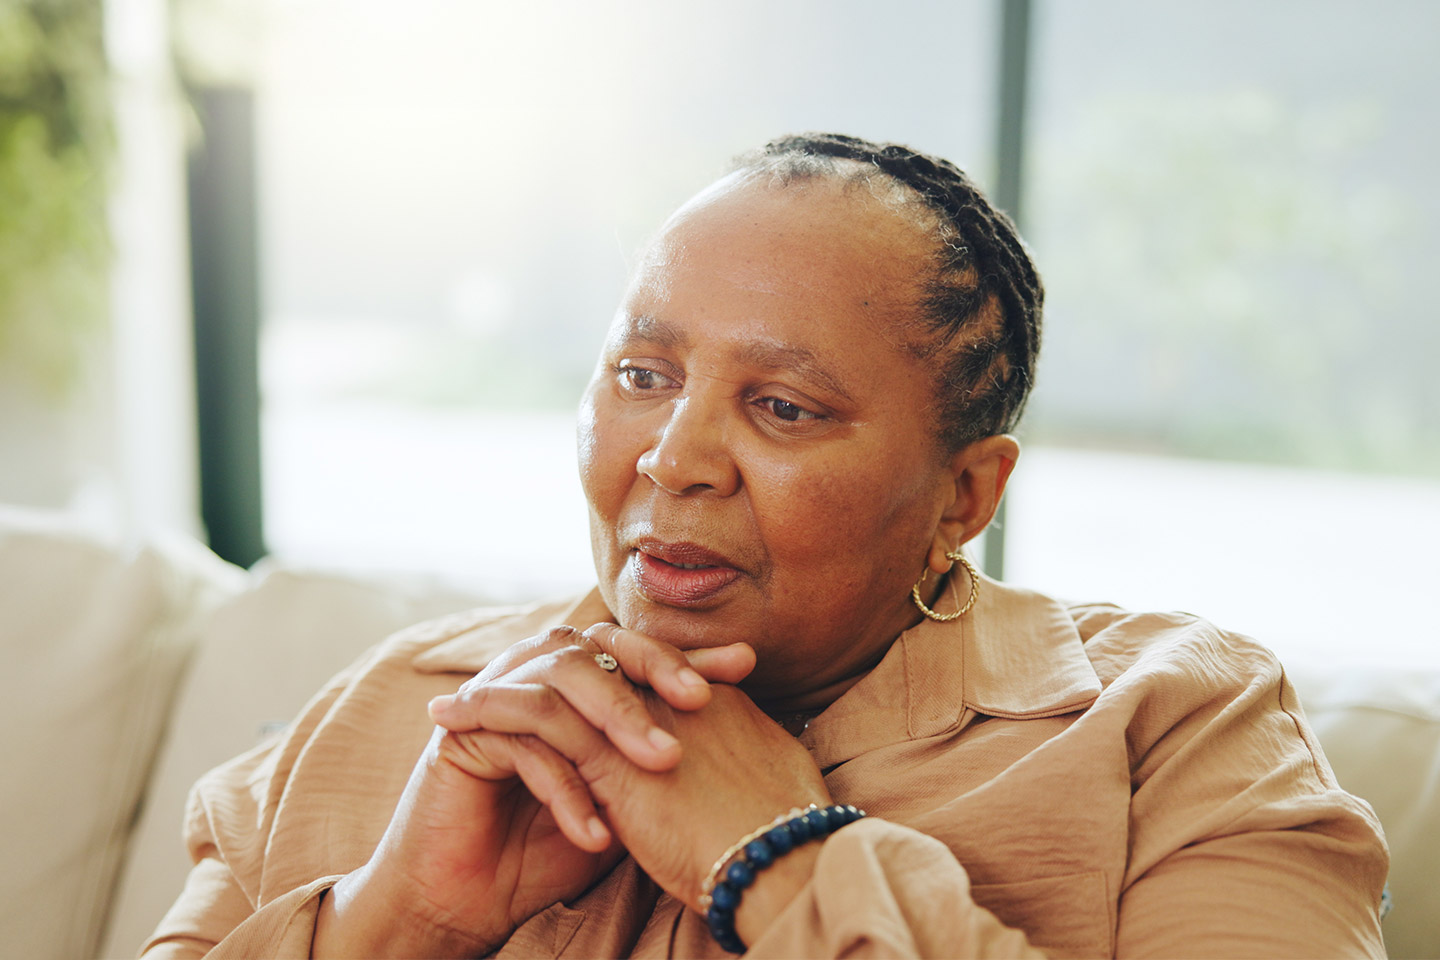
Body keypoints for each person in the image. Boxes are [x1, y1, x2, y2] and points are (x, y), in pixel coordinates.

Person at [141, 133, 1387, 959]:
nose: (673, 456)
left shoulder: (1174, 730)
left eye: (783, 407)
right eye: (642, 373)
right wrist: (396, 915)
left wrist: (786, 864)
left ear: (965, 495)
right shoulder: (403, 708)